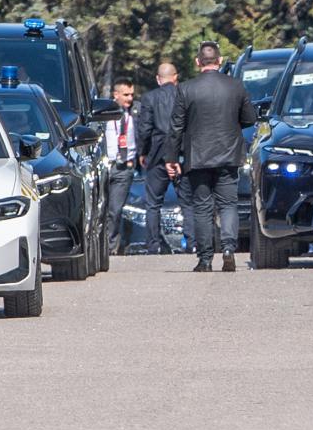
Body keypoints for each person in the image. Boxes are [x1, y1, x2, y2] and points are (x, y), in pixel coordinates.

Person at [167, 42, 256, 273]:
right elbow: (250, 118)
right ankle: (228, 248)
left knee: (202, 207)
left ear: (198, 62)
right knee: (228, 204)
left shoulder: (186, 89)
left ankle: (205, 259)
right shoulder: (235, 86)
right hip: (228, 154)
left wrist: (171, 158)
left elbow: (176, 127)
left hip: (198, 157)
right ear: (220, 60)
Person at [133, 62, 180, 254]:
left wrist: (142, 152)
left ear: (158, 79)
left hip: (157, 152)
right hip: (181, 153)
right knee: (188, 201)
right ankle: (193, 242)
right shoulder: (184, 95)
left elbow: (144, 129)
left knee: (153, 203)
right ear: (176, 77)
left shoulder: (150, 98)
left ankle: (153, 245)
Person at [101, 79, 135, 255]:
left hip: (124, 167)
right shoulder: (104, 115)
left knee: (115, 210)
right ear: (116, 95)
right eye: (126, 95)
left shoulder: (136, 113)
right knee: (102, 208)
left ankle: (111, 246)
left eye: (132, 95)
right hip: (106, 165)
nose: (130, 98)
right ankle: (100, 244)